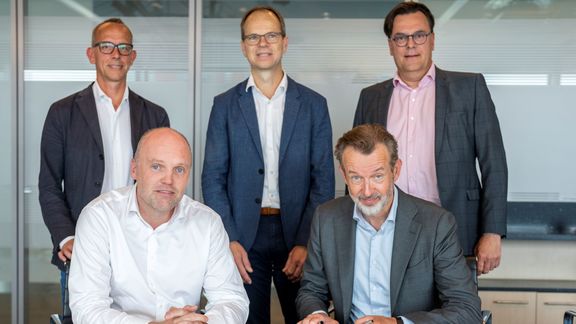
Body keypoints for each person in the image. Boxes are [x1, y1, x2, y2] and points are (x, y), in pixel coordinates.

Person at [201, 5, 335, 324]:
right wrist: (229, 238)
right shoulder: (224, 106)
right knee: (247, 318)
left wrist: (307, 241)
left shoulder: (314, 105)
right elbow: (213, 178)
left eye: (271, 35)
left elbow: (323, 181)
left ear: (284, 42)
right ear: (243, 46)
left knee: (305, 316)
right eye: (253, 36)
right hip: (245, 236)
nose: (263, 43)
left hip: (298, 234)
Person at [353, 1, 507, 275]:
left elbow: (493, 164)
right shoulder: (371, 97)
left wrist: (492, 231)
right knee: (393, 316)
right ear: (390, 45)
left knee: (456, 313)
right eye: (400, 37)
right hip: (386, 230)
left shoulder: (468, 88)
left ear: (432, 40)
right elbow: (356, 168)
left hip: (454, 227)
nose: (410, 44)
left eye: (419, 35)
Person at [296, 124, 481, 324]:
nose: (366, 191)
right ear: (344, 175)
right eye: (356, 177)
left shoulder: (436, 224)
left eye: (377, 176)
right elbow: (311, 290)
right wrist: (319, 316)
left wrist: (398, 323)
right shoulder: (326, 218)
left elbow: (466, 310)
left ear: (396, 170)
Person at [69, 128, 249, 324]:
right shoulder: (99, 217)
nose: (168, 180)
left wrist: (202, 323)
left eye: (179, 169)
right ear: (134, 169)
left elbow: (232, 300)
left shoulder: (208, 223)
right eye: (157, 167)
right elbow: (87, 308)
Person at [39, 17, 169, 286]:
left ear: (132, 57)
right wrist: (66, 237)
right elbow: (49, 185)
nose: (116, 54)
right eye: (106, 46)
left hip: (140, 247)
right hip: (83, 245)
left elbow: (164, 186)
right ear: (91, 54)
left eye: (123, 47)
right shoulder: (62, 113)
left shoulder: (155, 116)